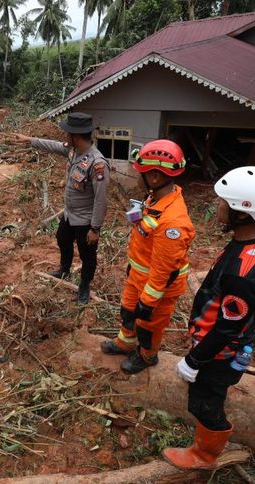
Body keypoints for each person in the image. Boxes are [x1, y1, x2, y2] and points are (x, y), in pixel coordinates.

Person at [162, 166, 255, 470]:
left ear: (245, 213)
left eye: (224, 202)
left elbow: (226, 327)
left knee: (204, 401)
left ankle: (204, 455)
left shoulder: (244, 275)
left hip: (221, 349)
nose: (217, 206)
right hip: (234, 334)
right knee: (211, 388)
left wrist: (195, 360)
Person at [101, 140, 195, 374]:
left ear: (154, 177)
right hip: (139, 276)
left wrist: (149, 301)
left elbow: (164, 270)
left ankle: (147, 355)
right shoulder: (156, 198)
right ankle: (125, 342)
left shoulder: (172, 223)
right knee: (128, 311)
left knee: (148, 324)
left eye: (139, 173)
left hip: (157, 288)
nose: (136, 178)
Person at [13, 112, 109, 304]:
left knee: (87, 256)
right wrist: (31, 140)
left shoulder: (97, 164)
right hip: (69, 214)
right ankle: (64, 269)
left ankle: (84, 286)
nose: (64, 136)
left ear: (76, 136)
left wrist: (95, 229)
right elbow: (54, 146)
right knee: (62, 239)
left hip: (85, 220)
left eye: (67, 133)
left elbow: (101, 200)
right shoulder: (73, 151)